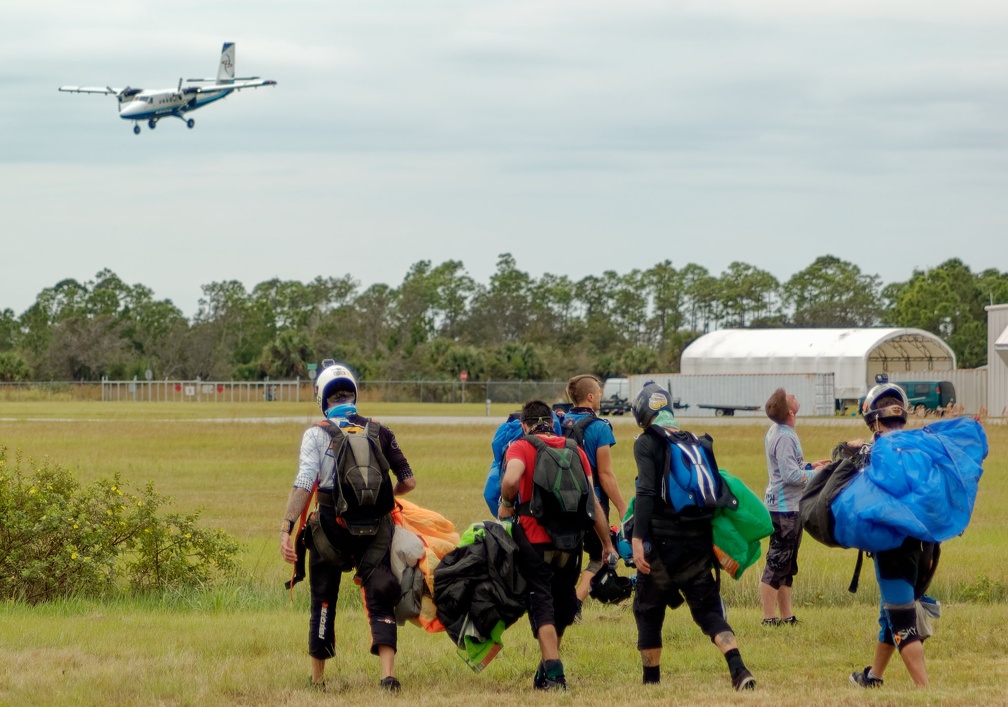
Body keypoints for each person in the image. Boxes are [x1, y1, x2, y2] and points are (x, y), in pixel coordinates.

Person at [278, 361, 416, 693]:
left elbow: (304, 482)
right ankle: (387, 675)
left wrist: (286, 526)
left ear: (322, 397)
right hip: (376, 531)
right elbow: (408, 482)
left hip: (330, 530)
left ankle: (318, 679)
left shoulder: (316, 432)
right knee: (380, 593)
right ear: (353, 393)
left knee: (323, 599)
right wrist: (384, 500)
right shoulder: (379, 430)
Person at [629, 382, 756, 691]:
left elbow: (645, 491)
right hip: (698, 542)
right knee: (709, 611)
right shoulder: (694, 442)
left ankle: (651, 682)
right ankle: (738, 669)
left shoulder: (647, 442)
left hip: (662, 543)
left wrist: (636, 538)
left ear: (642, 413)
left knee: (648, 608)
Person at [496, 399, 617, 691]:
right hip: (571, 542)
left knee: (541, 604)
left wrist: (507, 504)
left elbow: (511, 479)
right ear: (552, 422)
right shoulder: (574, 449)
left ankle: (555, 674)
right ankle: (545, 671)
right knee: (563, 604)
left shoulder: (521, 446)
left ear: (524, 425)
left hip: (534, 539)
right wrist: (606, 544)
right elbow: (593, 502)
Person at [846, 383, 938, 689]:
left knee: (900, 619)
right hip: (927, 547)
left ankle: (925, 691)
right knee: (889, 613)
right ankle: (873, 677)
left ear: (873, 420)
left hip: (893, 550)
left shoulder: (872, 455)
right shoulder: (920, 448)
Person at [759, 388, 828, 626]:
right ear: (789, 411)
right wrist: (815, 474)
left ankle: (787, 617)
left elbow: (787, 466)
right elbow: (789, 476)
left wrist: (810, 465)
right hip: (784, 508)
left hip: (790, 506)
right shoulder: (785, 436)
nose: (796, 396)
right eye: (791, 397)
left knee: (787, 565)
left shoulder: (780, 431)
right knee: (777, 563)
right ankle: (769, 619)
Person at [562, 374, 629, 606]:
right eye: (599, 393)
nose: (601, 397)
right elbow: (605, 474)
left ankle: (561, 602)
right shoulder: (600, 427)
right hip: (592, 503)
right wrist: (622, 506)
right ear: (590, 397)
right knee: (601, 556)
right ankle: (575, 604)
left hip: (561, 502)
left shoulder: (560, 423)